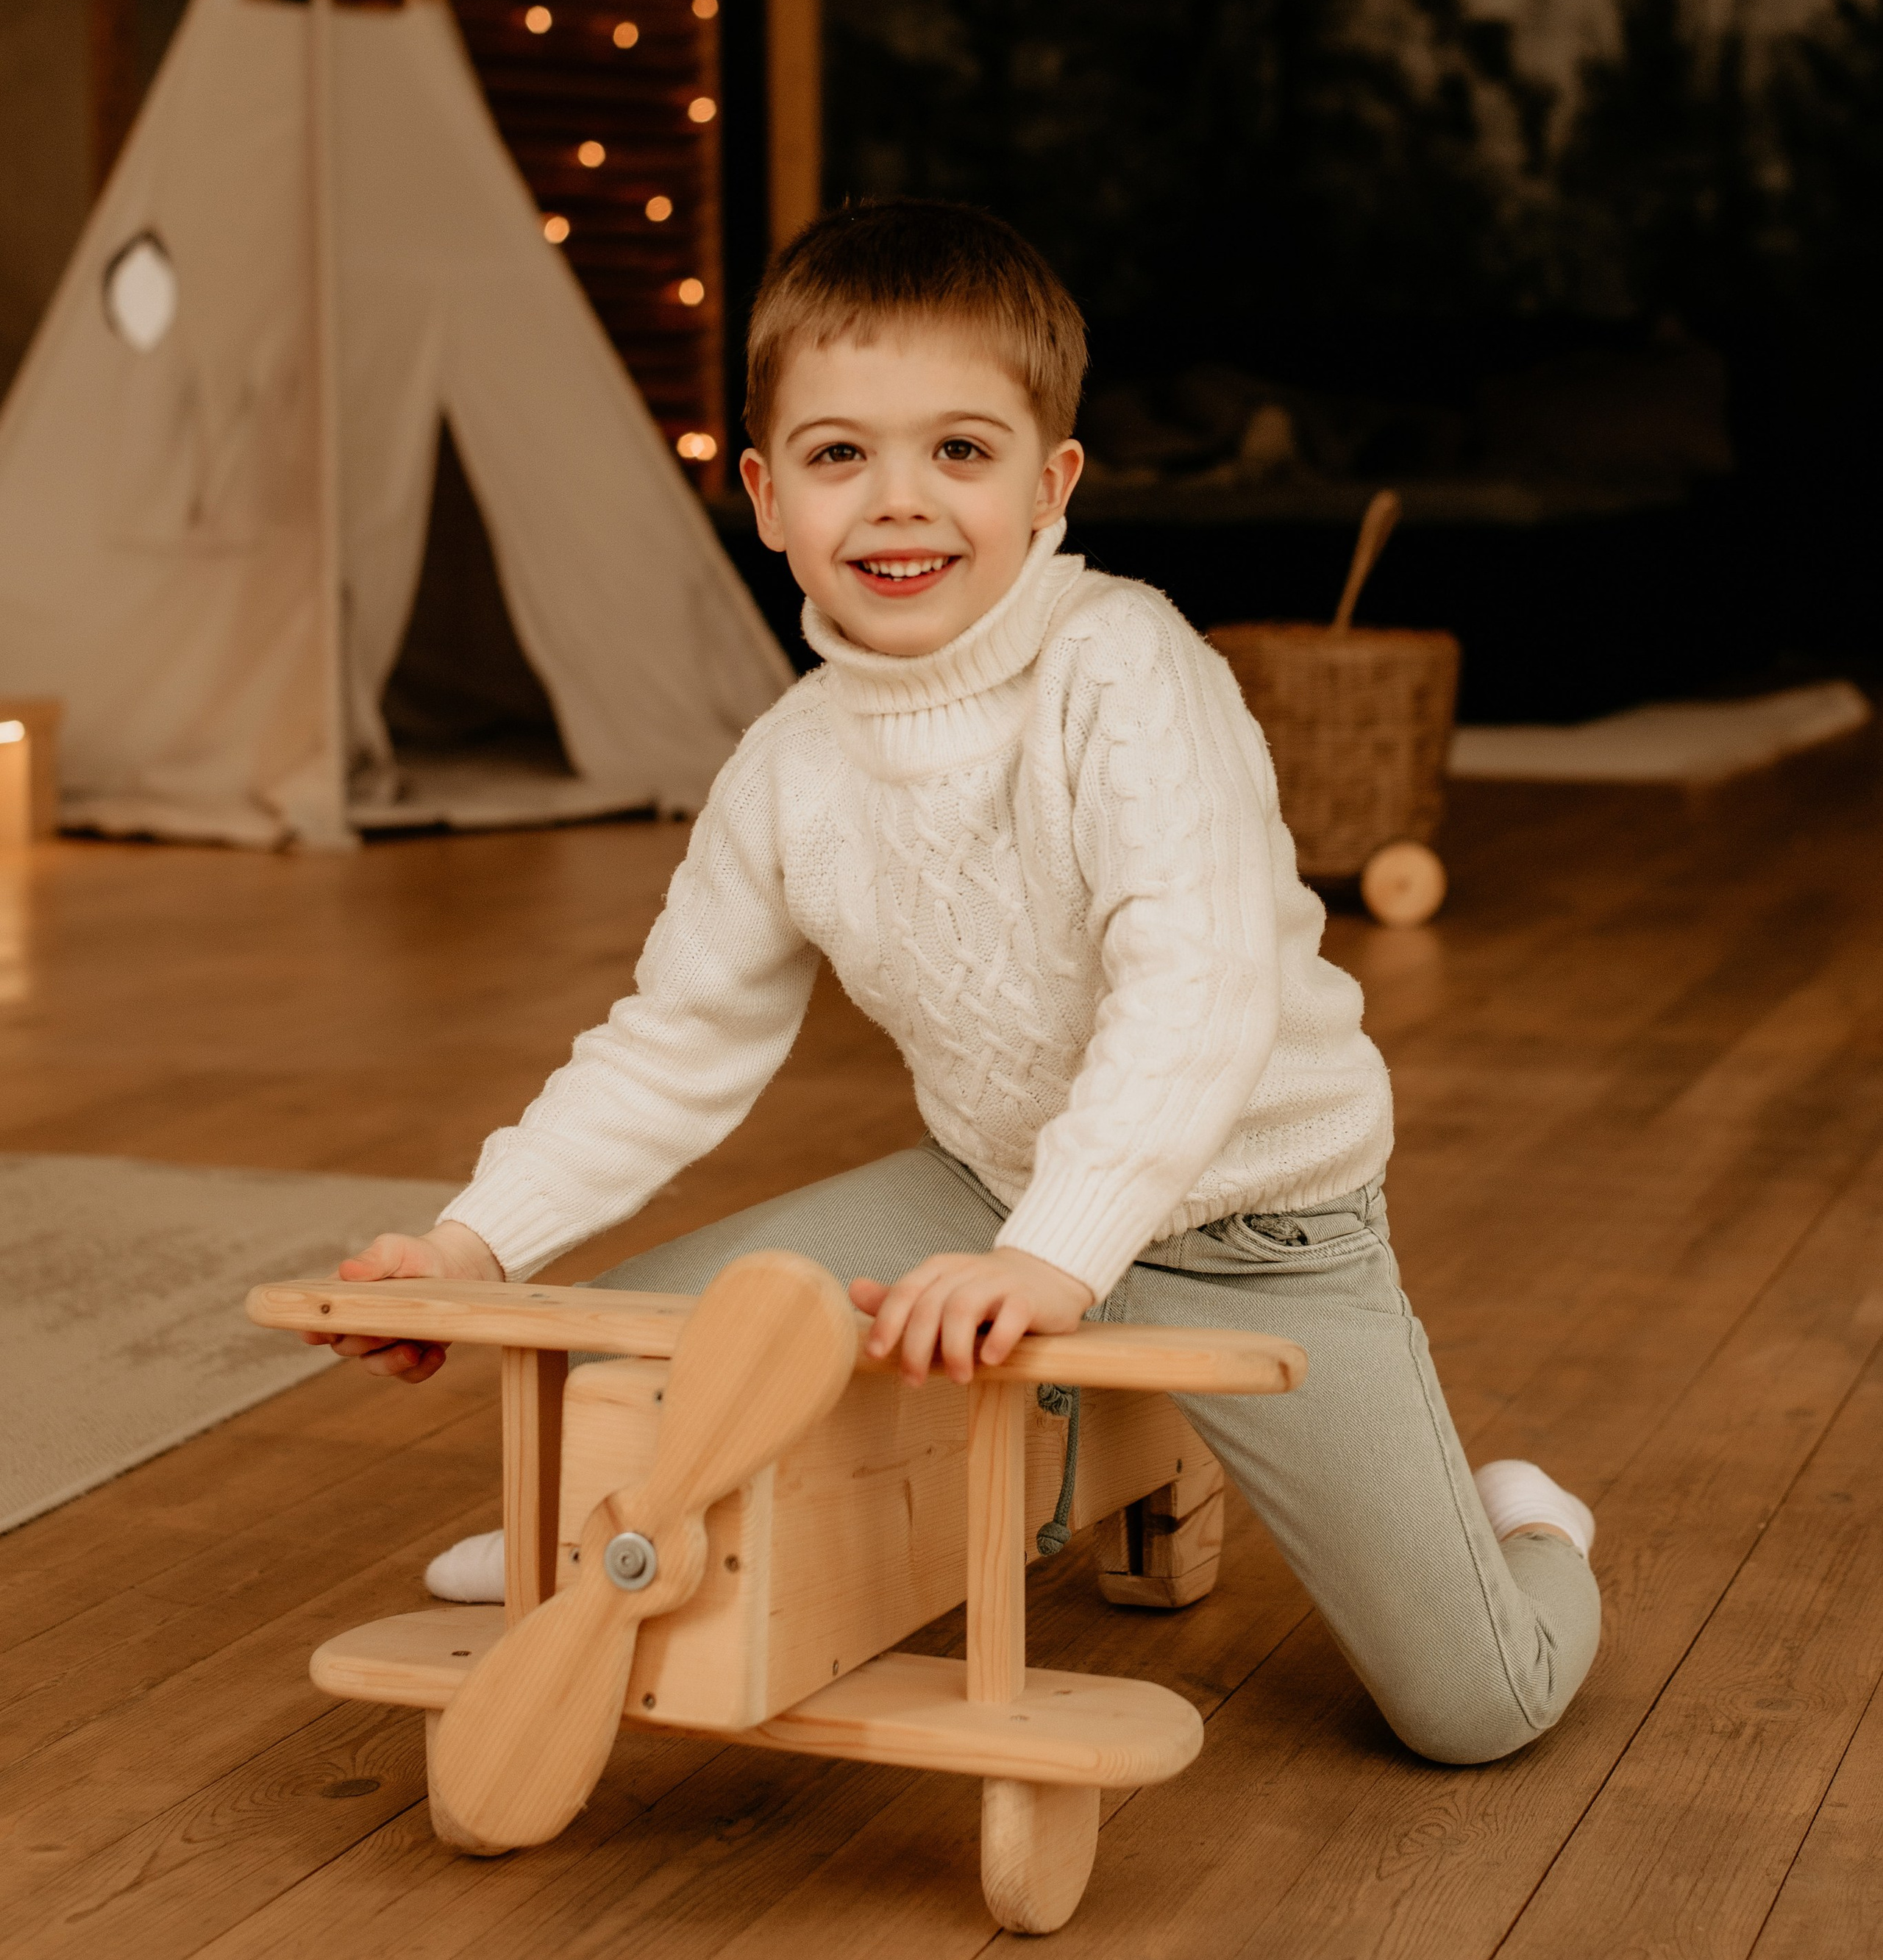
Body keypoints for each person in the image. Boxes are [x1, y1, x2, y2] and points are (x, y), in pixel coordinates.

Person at [313, 196, 1599, 1766]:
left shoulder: (1125, 668)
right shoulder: (783, 770)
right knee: (612, 1360)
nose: (897, 502)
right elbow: (672, 1042)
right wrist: (469, 1239)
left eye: (960, 453)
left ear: (1051, 483)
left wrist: (1061, 1256)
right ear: (764, 493)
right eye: (839, 454)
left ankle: (1513, 1527)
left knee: (1474, 1706)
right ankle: (596, 1536)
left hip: (1256, 1221)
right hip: (989, 1192)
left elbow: (1192, 991)